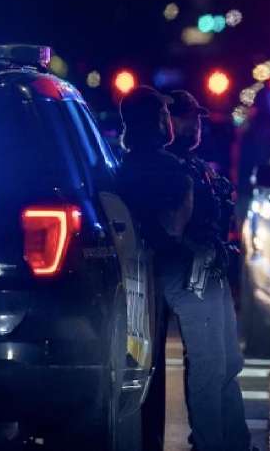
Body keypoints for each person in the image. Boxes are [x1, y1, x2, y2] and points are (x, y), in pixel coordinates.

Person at [164, 90, 251, 451]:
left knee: (227, 363)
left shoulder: (195, 164)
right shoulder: (167, 164)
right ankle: (210, 444)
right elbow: (171, 228)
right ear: (167, 120)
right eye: (188, 117)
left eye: (198, 117)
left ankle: (235, 444)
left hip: (211, 269)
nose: (195, 124)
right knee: (208, 365)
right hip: (189, 272)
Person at [115, 87, 191, 451]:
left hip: (126, 277)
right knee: (152, 368)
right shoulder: (167, 168)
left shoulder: (120, 166)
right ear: (157, 122)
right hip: (154, 274)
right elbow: (175, 225)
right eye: (164, 113)